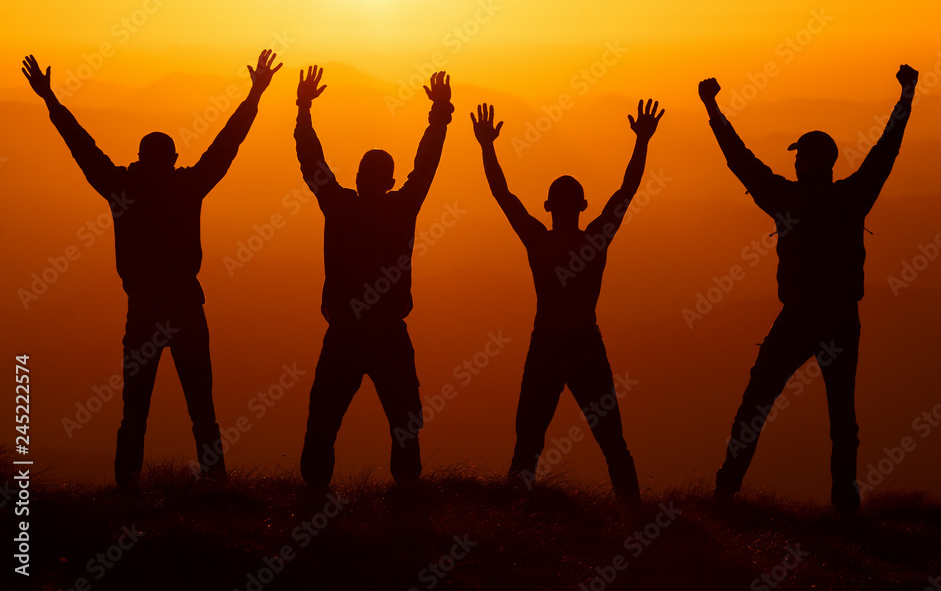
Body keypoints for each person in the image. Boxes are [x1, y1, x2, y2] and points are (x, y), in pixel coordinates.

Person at [22, 50, 282, 486]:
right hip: (184, 306)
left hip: (143, 309)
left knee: (136, 410)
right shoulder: (187, 185)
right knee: (201, 407)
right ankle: (214, 484)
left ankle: (128, 488)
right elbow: (226, 144)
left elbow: (81, 147)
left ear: (141, 157)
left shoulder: (122, 186)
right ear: (174, 158)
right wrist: (254, 94)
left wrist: (50, 100)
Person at [699, 65, 919, 514]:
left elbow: (738, 159)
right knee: (842, 415)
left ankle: (726, 491)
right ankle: (845, 502)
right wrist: (906, 96)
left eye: (798, 156)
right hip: (840, 318)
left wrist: (712, 107)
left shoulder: (785, 198)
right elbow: (886, 151)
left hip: (797, 318)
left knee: (757, 401)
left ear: (805, 162)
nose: (794, 162)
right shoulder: (852, 197)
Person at [470, 100, 664, 501]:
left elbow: (502, 194)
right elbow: (627, 190)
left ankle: (515, 506)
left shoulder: (538, 240)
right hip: (584, 342)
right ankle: (630, 508)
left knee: (530, 436)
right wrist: (641, 141)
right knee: (609, 434)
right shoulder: (594, 239)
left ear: (547, 207)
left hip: (546, 344)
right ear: (582, 206)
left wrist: (487, 146)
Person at [295, 66, 454, 489]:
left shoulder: (339, 204)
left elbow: (311, 161)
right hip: (384, 334)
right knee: (401, 419)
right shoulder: (401, 207)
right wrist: (438, 116)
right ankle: (405, 492)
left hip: (348, 332)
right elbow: (426, 166)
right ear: (391, 181)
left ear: (361, 177)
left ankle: (314, 493)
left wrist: (304, 110)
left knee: (325, 418)